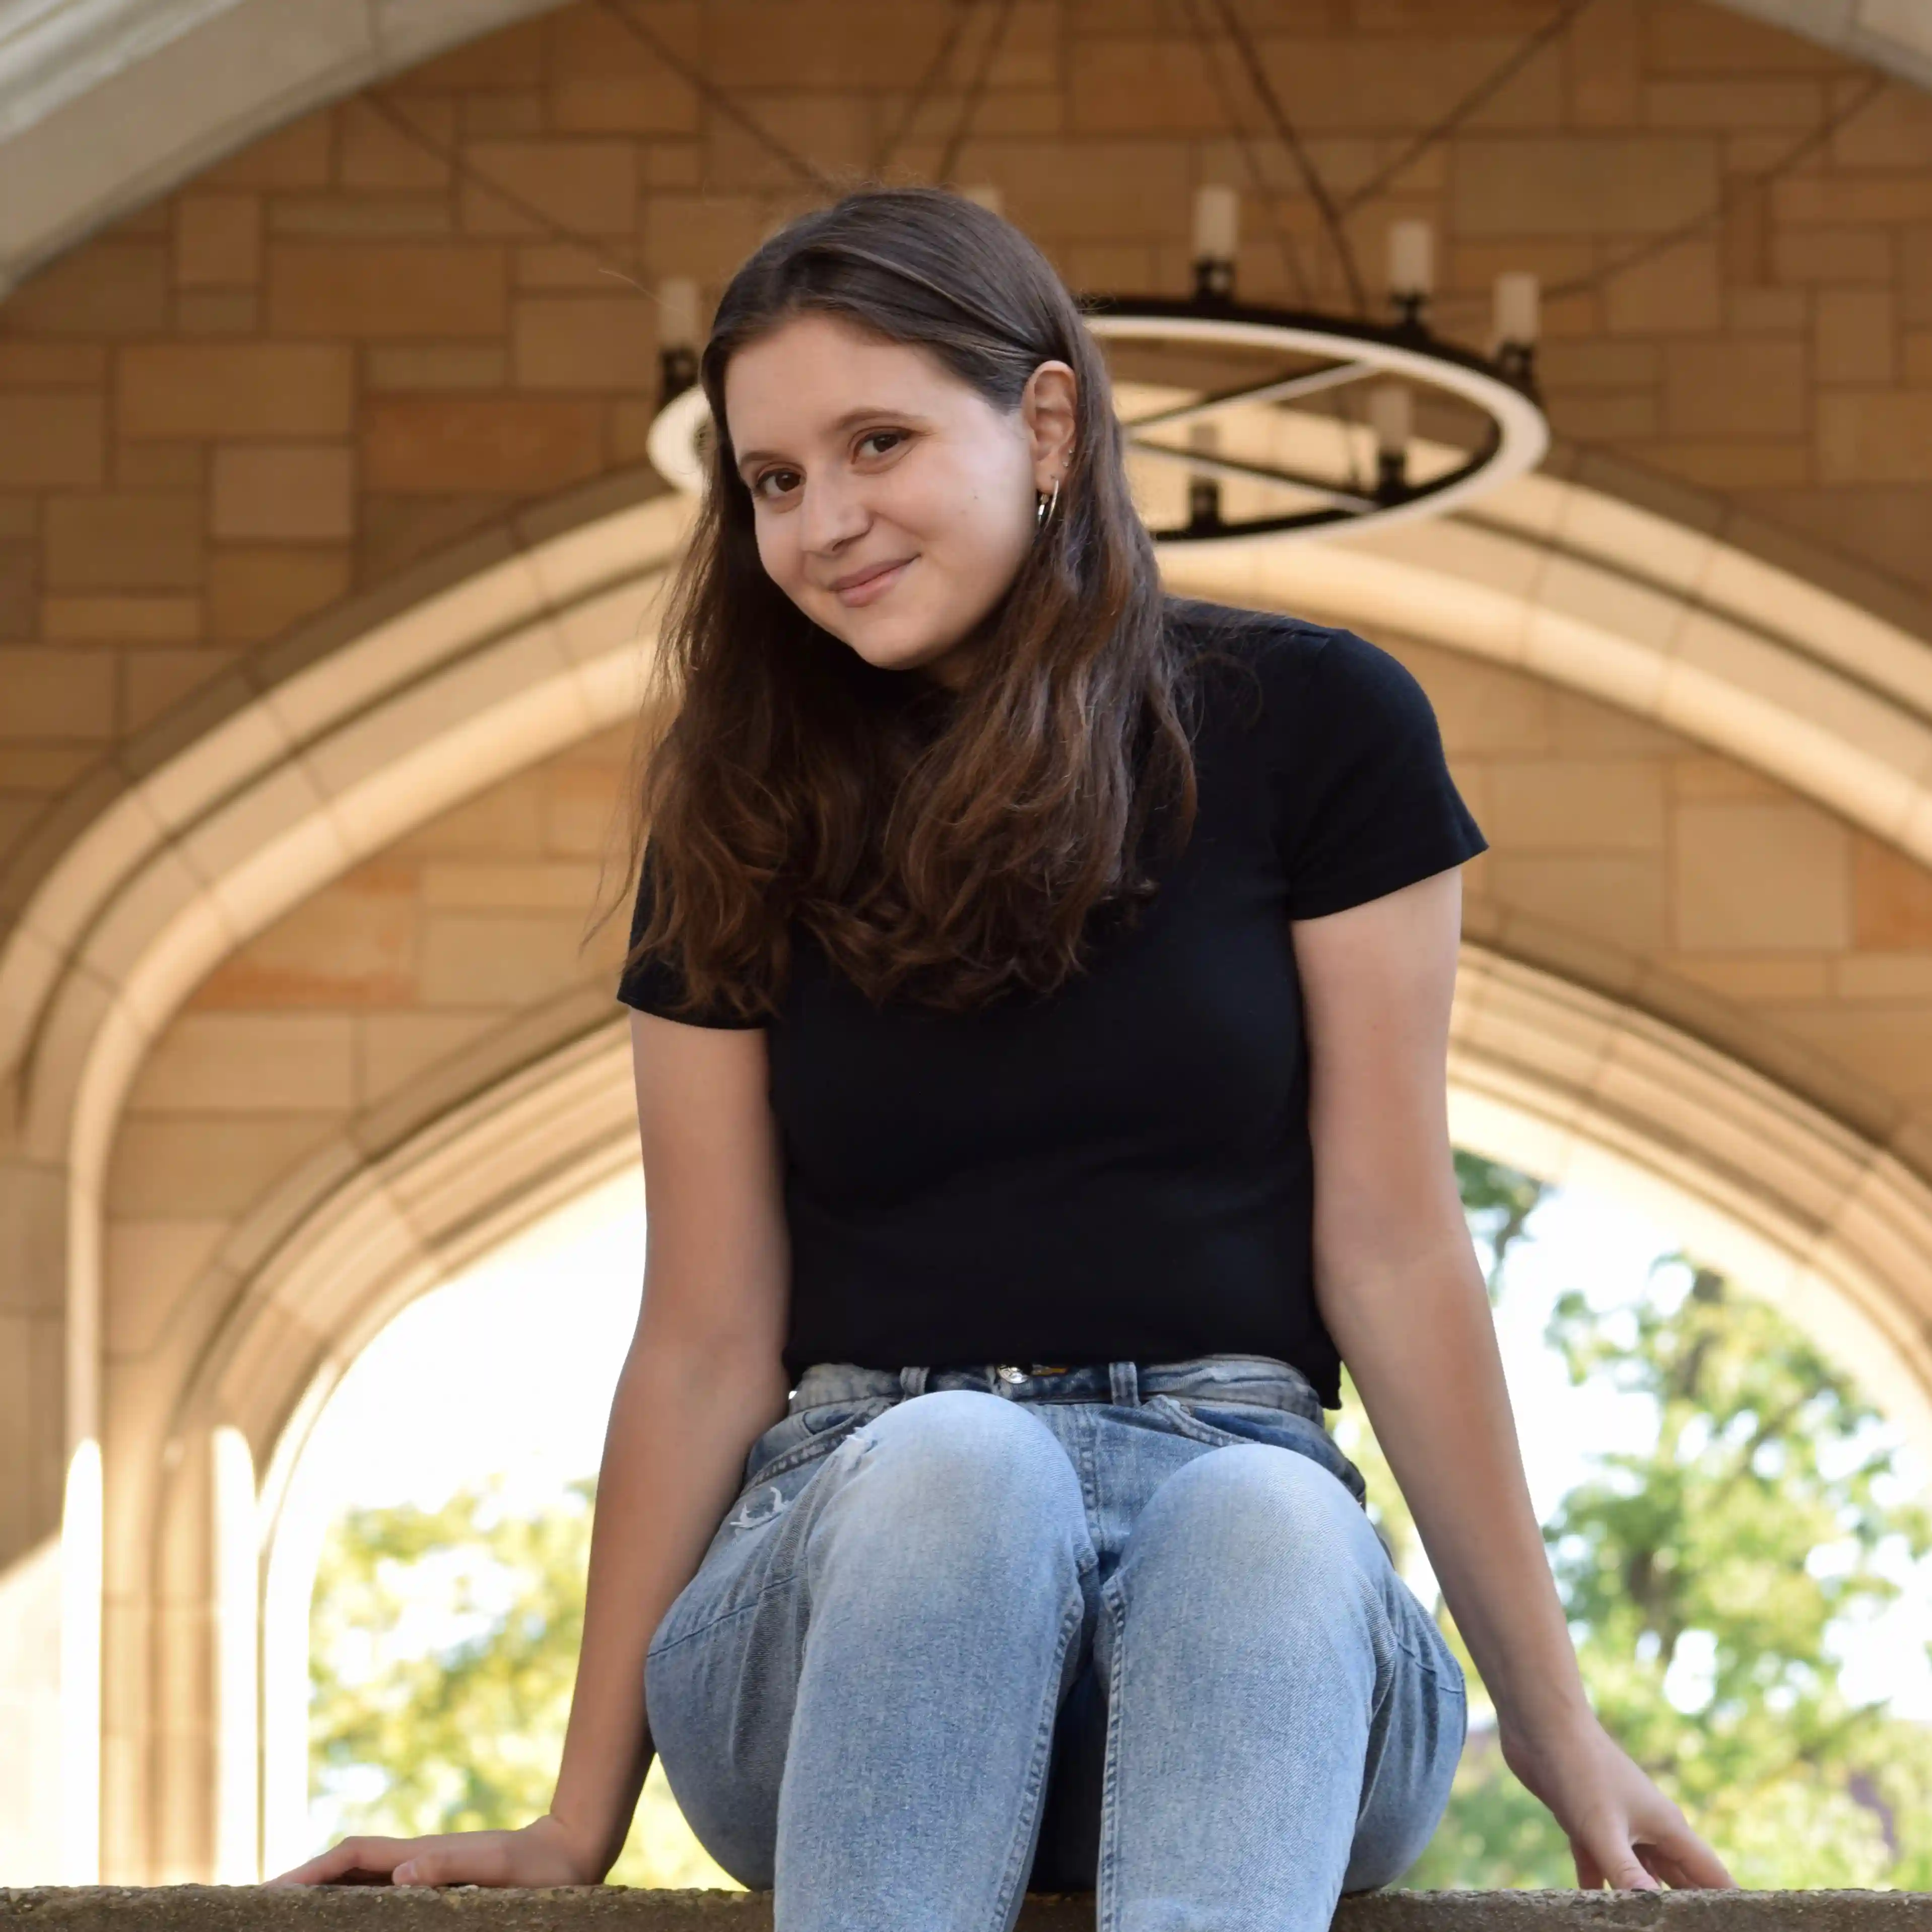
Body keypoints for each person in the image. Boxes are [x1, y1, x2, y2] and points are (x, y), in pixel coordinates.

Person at [273, 185, 1734, 1925]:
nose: (823, 520)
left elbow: (1399, 1250)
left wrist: (1562, 1733)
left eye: (877, 442)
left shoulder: (1316, 727)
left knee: (1264, 1518)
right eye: (773, 480)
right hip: (850, 1582)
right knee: (962, 1466)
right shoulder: (741, 806)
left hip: (1241, 1593)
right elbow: (705, 1337)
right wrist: (574, 1822)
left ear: (1046, 425)